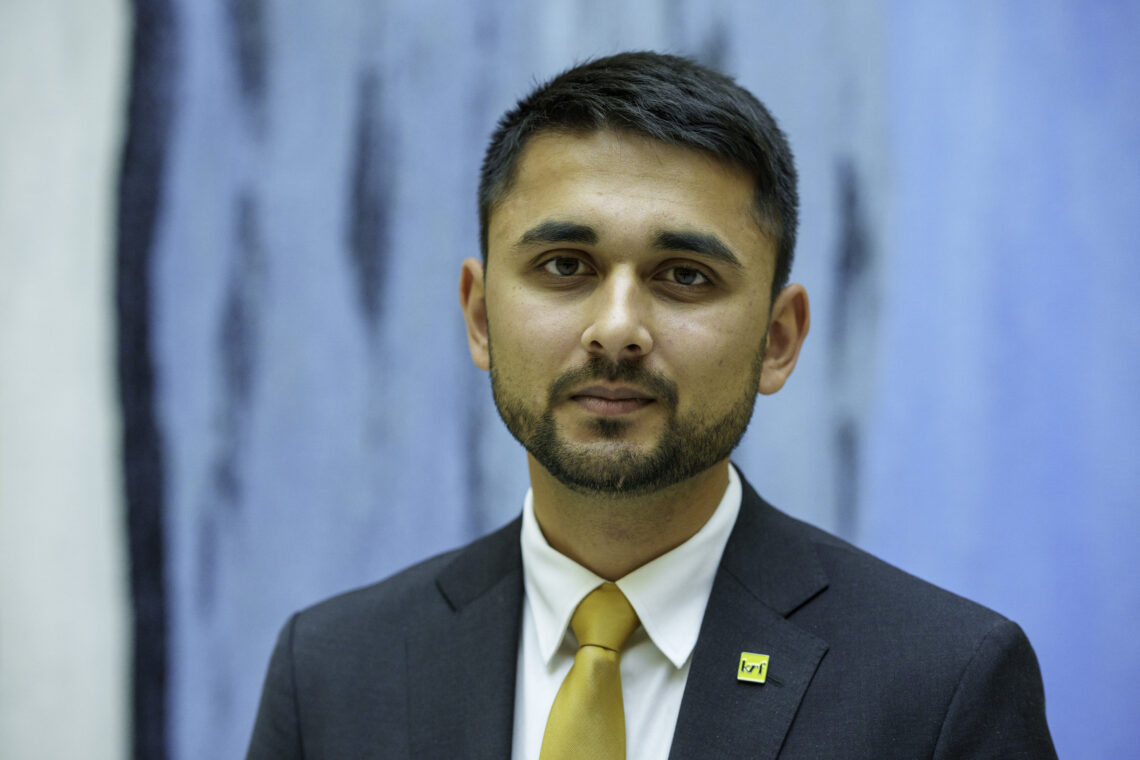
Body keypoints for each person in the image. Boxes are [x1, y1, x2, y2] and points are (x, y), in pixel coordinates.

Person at [247, 51, 1056, 759]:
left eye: (685, 276)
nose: (617, 329)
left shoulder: (942, 685)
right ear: (481, 317)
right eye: (566, 265)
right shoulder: (330, 674)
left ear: (778, 340)